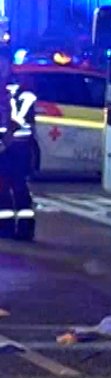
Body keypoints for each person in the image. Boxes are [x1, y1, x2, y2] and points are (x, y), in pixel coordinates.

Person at [0, 52, 36, 241]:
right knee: (6, 188)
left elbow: (17, 122)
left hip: (16, 148)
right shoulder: (11, 92)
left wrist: (6, 137)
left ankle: (20, 228)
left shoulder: (18, 93)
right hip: (11, 148)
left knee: (17, 187)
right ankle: (10, 227)